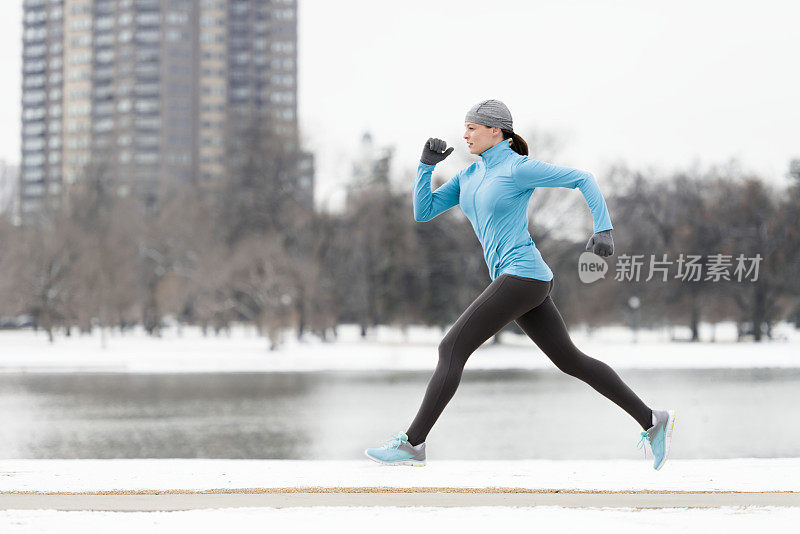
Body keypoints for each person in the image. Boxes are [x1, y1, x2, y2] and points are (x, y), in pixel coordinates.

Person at [364, 99, 676, 470]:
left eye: (472, 128)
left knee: (451, 348)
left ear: (495, 131)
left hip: (523, 274)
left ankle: (413, 444)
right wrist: (425, 167)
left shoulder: (517, 169)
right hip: (525, 279)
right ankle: (652, 419)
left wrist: (603, 228)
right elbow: (424, 211)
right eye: (465, 127)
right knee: (571, 360)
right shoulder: (469, 175)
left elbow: (583, 179)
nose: (465, 134)